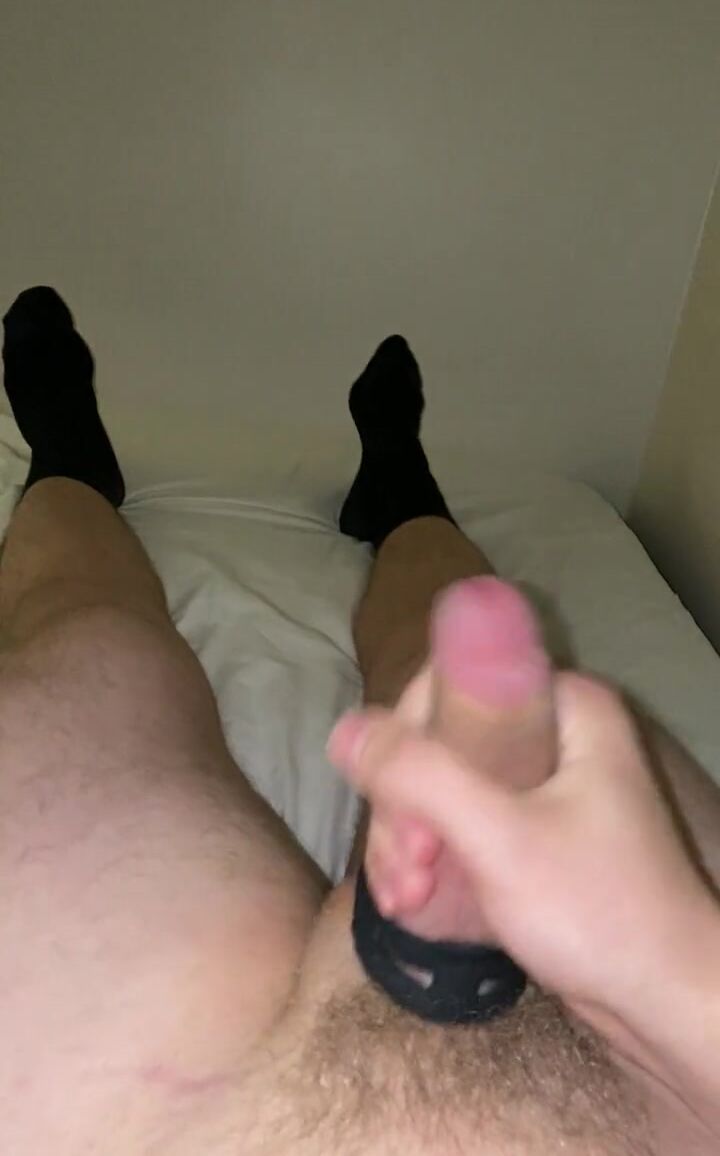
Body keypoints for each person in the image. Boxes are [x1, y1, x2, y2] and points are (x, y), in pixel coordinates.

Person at [0, 287, 718, 1156]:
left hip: (137, 1120)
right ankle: (402, 495)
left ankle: (68, 464)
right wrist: (687, 980)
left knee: (85, 642)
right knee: (452, 657)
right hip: (648, 1077)